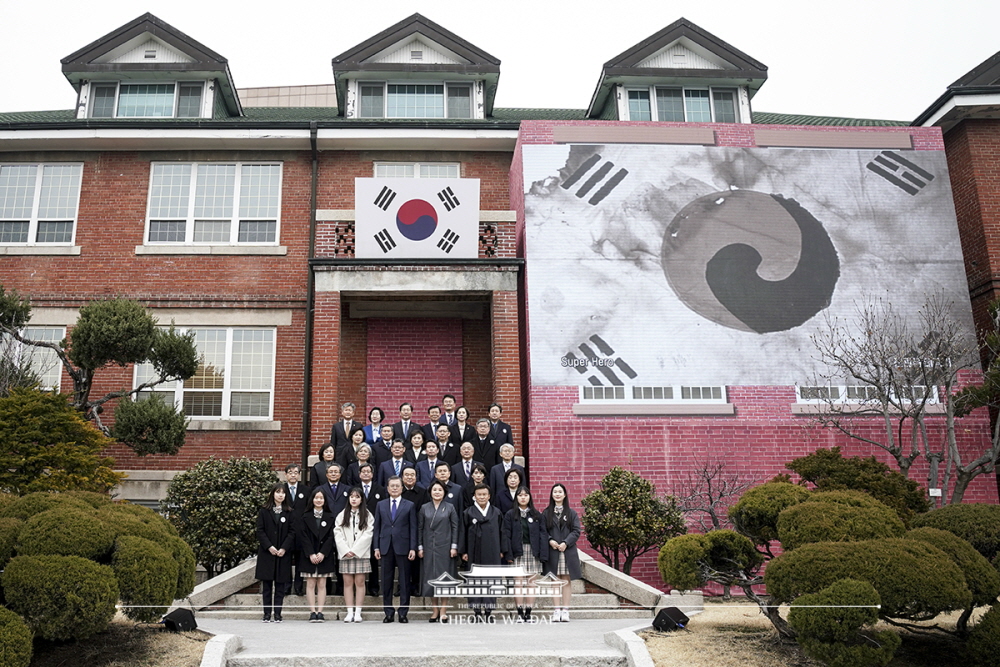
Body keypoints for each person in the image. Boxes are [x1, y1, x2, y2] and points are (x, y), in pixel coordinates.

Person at [373, 477, 418, 623]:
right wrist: (376, 546)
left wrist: (413, 547)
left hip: (403, 546)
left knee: (404, 580)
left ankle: (403, 612)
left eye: (397, 486)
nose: (394, 488)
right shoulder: (381, 505)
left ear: (402, 488)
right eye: (391, 486)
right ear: (387, 488)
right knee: (386, 581)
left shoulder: (409, 505)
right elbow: (377, 527)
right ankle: (388, 612)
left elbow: (413, 528)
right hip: (386, 546)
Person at [501, 487, 549, 623]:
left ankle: (528, 612)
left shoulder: (537, 515)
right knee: (518, 582)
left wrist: (543, 555)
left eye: (526, 495)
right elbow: (507, 535)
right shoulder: (510, 515)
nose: (523, 497)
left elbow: (543, 535)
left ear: (530, 497)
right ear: (516, 498)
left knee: (531, 583)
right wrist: (508, 554)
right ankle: (520, 612)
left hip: (533, 551)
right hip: (517, 551)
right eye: (520, 495)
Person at [418, 480, 459, 623]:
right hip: (429, 547)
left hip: (445, 547)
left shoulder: (450, 508)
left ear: (444, 493)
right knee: (431, 577)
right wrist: (420, 547)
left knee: (444, 578)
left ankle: (443, 610)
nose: (437, 492)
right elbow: (420, 528)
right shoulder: (424, 508)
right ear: (430, 492)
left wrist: (454, 546)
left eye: (440, 490)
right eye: (434, 490)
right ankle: (434, 610)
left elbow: (455, 527)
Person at [462, 483, 503, 622]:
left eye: (484, 494)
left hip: (492, 551)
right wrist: (464, 551)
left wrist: (503, 550)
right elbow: (463, 533)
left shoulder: (496, 512)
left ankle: (489, 611)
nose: (482, 497)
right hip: (474, 551)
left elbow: (502, 532)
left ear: (489, 496)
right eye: (479, 494)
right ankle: (477, 611)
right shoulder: (468, 512)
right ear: (474, 496)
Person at [543, 484, 583, 622]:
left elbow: (576, 531)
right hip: (553, 550)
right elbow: (543, 531)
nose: (557, 494)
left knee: (565, 580)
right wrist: (550, 541)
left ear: (565, 495)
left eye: (560, 492)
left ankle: (565, 610)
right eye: (555, 492)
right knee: (554, 580)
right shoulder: (546, 512)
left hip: (567, 551)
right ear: (552, 495)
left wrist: (566, 542)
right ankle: (556, 610)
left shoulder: (571, 513)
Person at [256, 483, 295, 622]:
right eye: (278, 492)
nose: (280, 495)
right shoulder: (264, 511)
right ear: (273, 494)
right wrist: (269, 547)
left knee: (280, 586)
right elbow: (260, 531)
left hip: (282, 554)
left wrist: (283, 548)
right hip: (267, 553)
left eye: (283, 493)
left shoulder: (289, 511)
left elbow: (292, 532)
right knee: (267, 586)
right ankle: (266, 613)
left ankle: (278, 613)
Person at [335, 487, 374, 623]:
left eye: (357, 497)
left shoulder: (367, 515)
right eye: (352, 496)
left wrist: (356, 550)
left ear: (361, 499)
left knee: (360, 582)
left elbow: (368, 534)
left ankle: (358, 612)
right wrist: (346, 550)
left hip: (361, 554)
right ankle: (349, 611)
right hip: (346, 554)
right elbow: (338, 533)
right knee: (347, 582)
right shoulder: (342, 514)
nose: (354, 499)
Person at [297, 489, 336, 622]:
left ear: (325, 501)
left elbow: (331, 537)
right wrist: (311, 554)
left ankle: (320, 611)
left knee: (322, 583)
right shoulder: (305, 516)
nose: (318, 500)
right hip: (309, 555)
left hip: (324, 555)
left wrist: (322, 553)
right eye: (316, 498)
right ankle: (312, 611)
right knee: (311, 583)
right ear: (312, 500)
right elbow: (303, 536)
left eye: (321, 498)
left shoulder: (330, 517)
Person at [282, 464, 310, 596]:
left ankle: (298, 586)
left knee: (300, 560)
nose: (293, 475)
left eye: (295, 472)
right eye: (290, 472)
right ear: (286, 475)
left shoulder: (306, 490)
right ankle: (286, 586)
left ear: (299, 475)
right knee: (286, 560)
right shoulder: (281, 490)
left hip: (301, 531)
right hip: (285, 531)